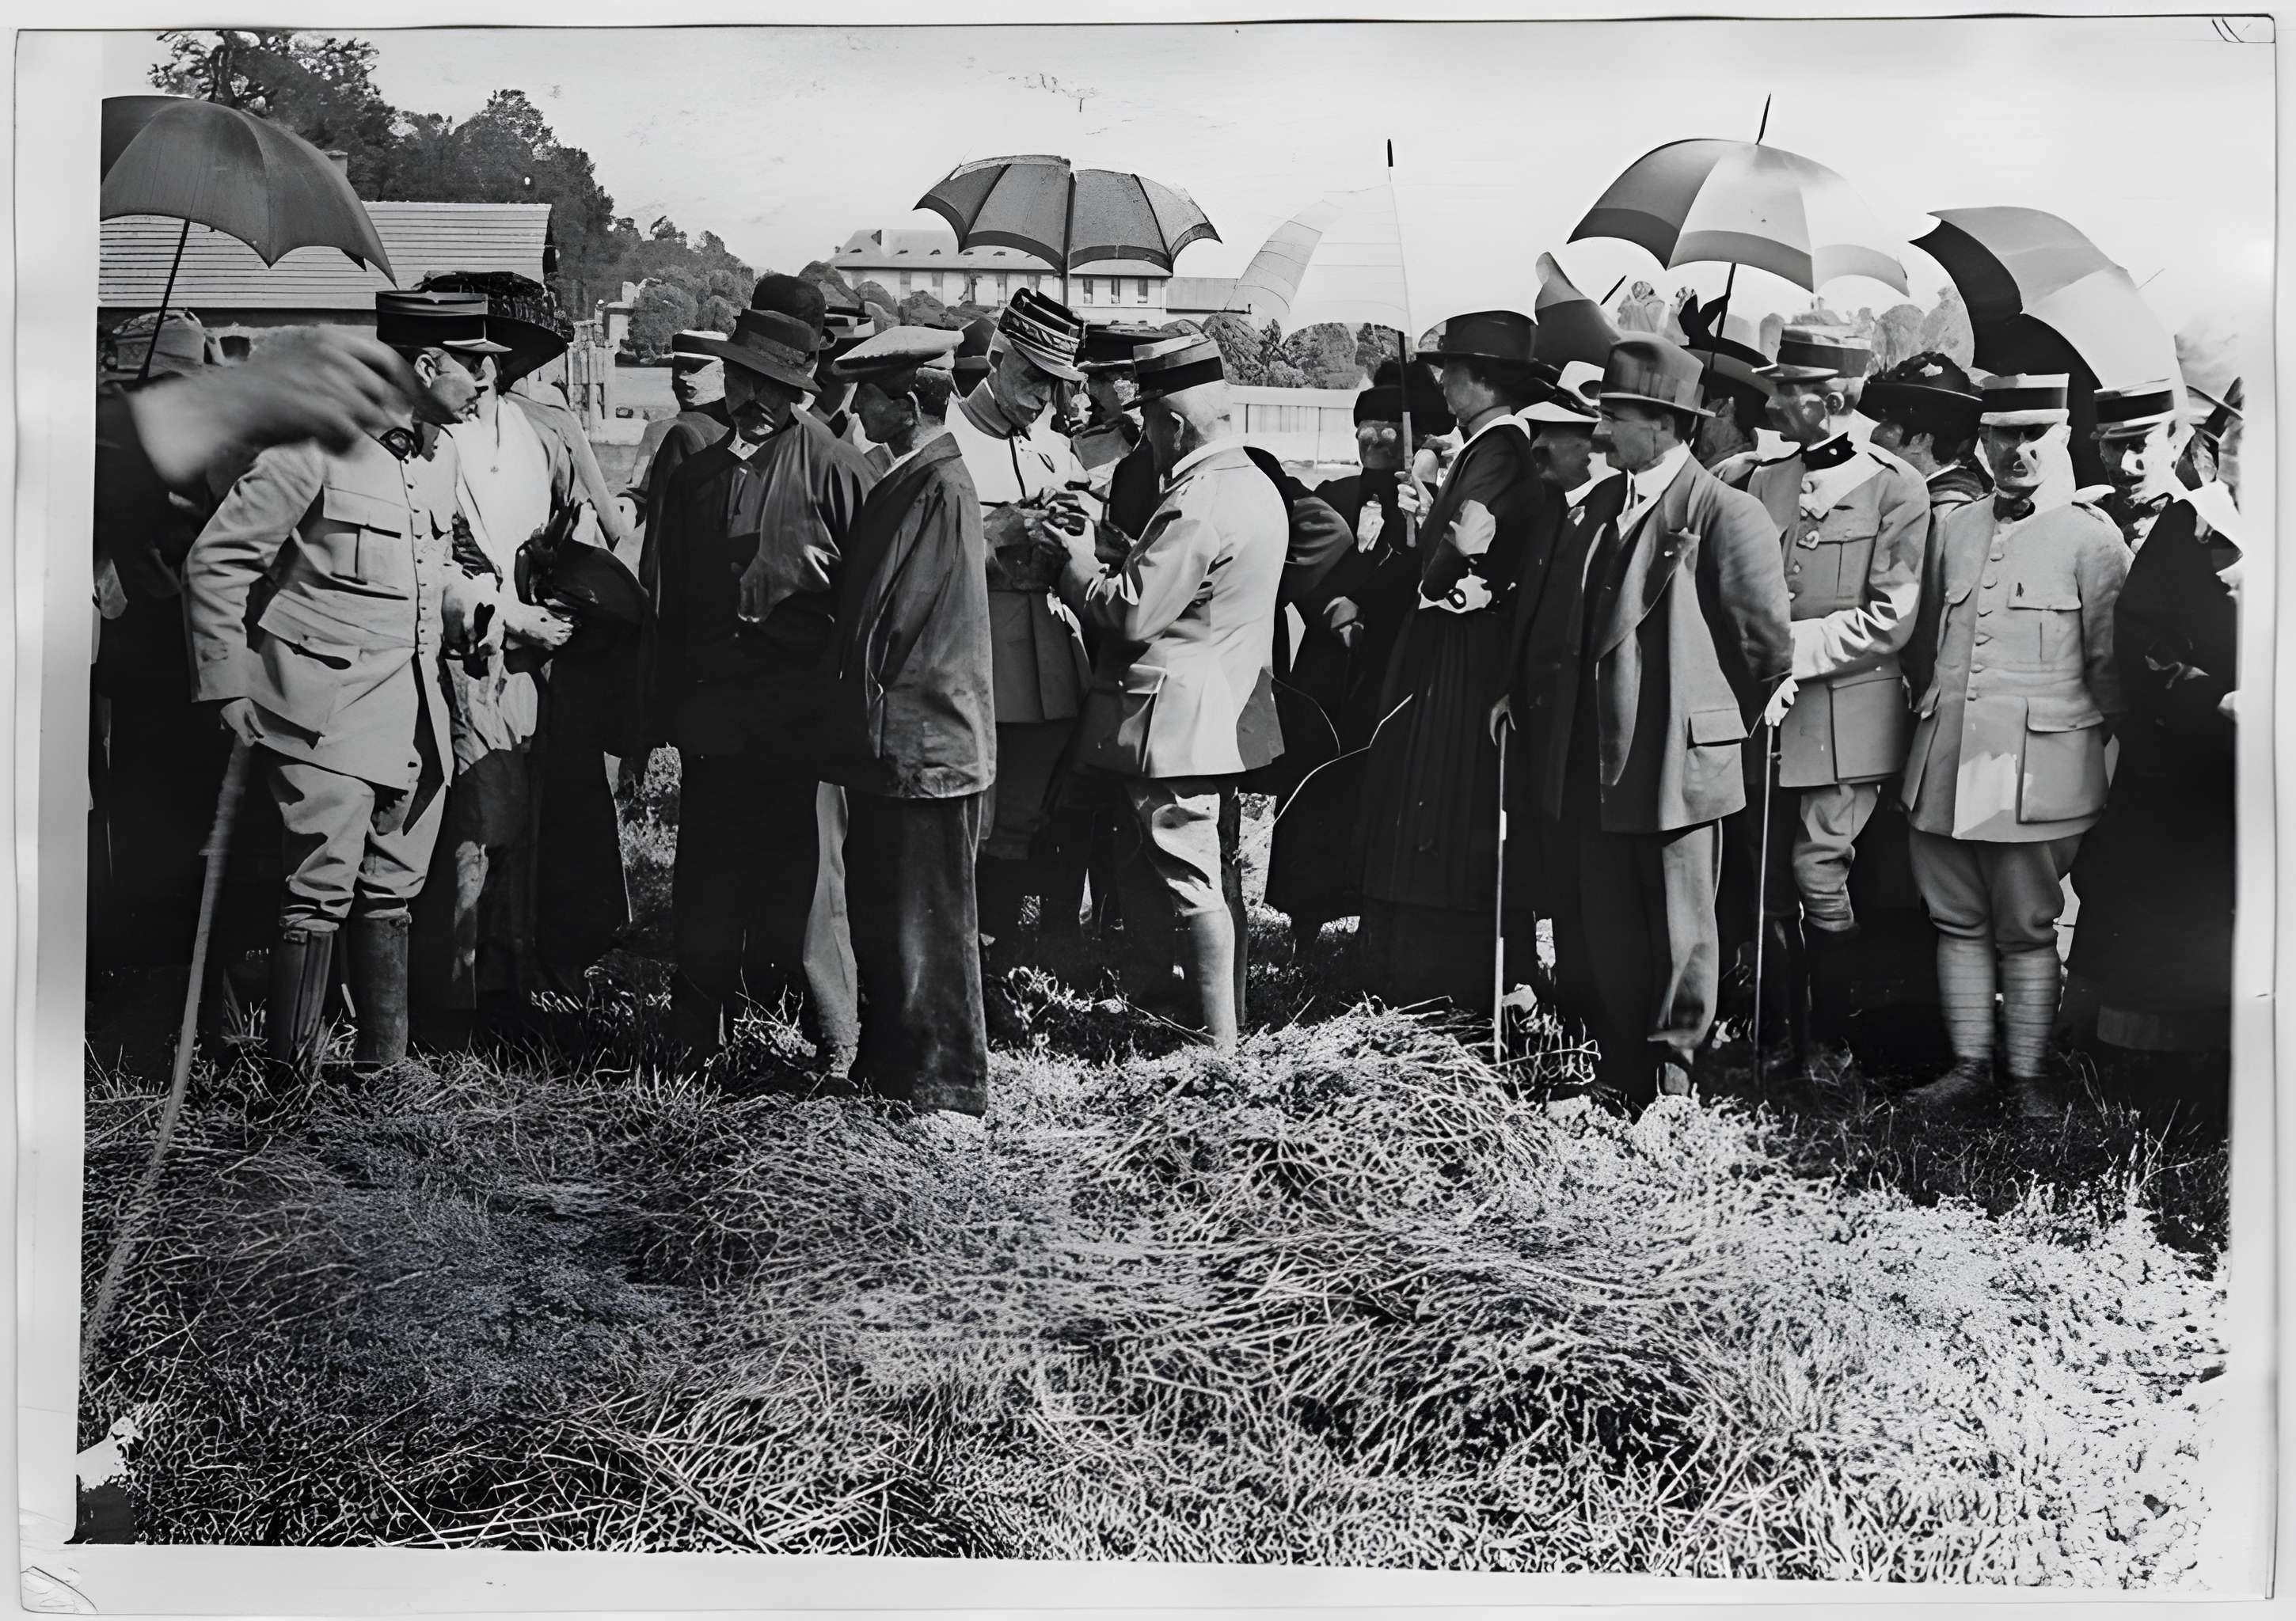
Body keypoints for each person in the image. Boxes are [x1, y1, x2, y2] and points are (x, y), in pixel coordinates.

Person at [181, 290, 499, 1079]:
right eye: (475, 364)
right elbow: (218, 562)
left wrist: (468, 606)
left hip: (413, 710)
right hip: (318, 708)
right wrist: (226, 685)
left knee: (391, 888)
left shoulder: (438, 453)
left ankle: (377, 1070)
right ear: (426, 365)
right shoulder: (312, 447)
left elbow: (426, 567)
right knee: (316, 890)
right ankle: (288, 1082)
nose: (488, 380)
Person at [1507, 335, 1792, 1109]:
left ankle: (1671, 1088)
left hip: (1675, 763)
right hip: (1592, 763)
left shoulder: (1725, 514)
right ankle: (1618, 1075)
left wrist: (1694, 718)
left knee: (1679, 936)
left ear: (1667, 423)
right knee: (1608, 932)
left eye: (1616, 416)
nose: (1600, 431)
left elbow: (1762, 649)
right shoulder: (1596, 508)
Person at [1897, 375, 2130, 1121]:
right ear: (1983, 440)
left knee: (2028, 927)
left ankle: (2028, 1079)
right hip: (1944, 761)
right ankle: (1969, 1067)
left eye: (2036, 435)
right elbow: (1929, 637)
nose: (2018, 450)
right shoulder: (1957, 526)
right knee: (1956, 918)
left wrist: (2097, 763)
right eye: (2005, 434)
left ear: (2062, 438)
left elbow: (2108, 669)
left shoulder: (2094, 539)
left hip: (2040, 772)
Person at [405, 274, 629, 1044]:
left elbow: (557, 539)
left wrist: (561, 601)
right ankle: (459, 994)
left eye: (500, 357)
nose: (488, 372)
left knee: (527, 818)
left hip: (536, 654)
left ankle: (516, 974)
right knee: (477, 818)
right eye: (476, 358)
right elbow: (442, 554)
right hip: (471, 651)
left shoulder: (533, 437)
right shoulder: (442, 442)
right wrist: (506, 614)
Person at [649, 305, 872, 1075]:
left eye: (775, 384)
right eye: (744, 377)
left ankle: (835, 1038)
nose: (755, 396)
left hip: (805, 721)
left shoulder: (839, 468)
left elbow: (868, 603)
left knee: (812, 882)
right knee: (707, 873)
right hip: (715, 720)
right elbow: (668, 604)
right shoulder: (696, 475)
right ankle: (694, 1028)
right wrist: (659, 713)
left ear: (800, 390)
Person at [1051, 335, 1287, 1047]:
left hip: (1171, 723)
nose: (1143, 435)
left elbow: (1129, 612)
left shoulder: (1194, 500)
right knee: (1215, 877)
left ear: (1173, 423)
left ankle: (1220, 1050)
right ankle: (1215, 1023)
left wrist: (1078, 566)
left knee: (1192, 883)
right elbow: (1203, 591)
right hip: (1224, 713)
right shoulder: (1253, 484)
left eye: (1147, 420)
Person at [1732, 327, 1929, 1085]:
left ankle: (1832, 1043)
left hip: (1847, 714)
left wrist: (1788, 649)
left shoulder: (1896, 487)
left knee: (1822, 872)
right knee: (1767, 877)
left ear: (1834, 398)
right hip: (1769, 715)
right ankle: (1779, 1033)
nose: (1774, 400)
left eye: (1787, 388)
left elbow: (1891, 616)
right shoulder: (1763, 477)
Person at [819, 326, 995, 1121]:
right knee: (890, 915)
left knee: (933, 926)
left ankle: (949, 1092)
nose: (856, 412)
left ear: (904, 403)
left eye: (868, 397)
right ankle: (890, 1073)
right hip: (898, 738)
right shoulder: (914, 477)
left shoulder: (937, 486)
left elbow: (895, 621)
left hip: (926, 739)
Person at [1354, 311, 1555, 1007]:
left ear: (1481, 381)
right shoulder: (1482, 448)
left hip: (1463, 658)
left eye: (1451, 372)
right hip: (1454, 650)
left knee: (1447, 804)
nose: (1441, 383)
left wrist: (1437, 558)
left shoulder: (1498, 450)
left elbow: (1457, 560)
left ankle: (1443, 976)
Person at [2068, 390, 2241, 1130]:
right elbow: (2141, 633)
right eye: (2239, 441)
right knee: (2173, 919)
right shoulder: (2192, 522)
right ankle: (2168, 1077)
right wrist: (2212, 701)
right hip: (2191, 760)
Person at [1262, 359, 1452, 952]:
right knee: (1315, 788)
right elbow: (1293, 567)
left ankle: (1376, 915)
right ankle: (1304, 919)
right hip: (1326, 670)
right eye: (1364, 427)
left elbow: (1430, 581)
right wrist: (1331, 610)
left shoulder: (1427, 504)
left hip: (1388, 670)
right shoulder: (1331, 494)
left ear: (1414, 434)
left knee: (1379, 787)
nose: (1374, 438)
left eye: (1387, 428)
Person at [942, 290, 1097, 964]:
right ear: (997, 360)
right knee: (968, 828)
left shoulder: (1056, 449)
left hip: (1050, 664)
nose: (1044, 398)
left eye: (1057, 385)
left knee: (1020, 827)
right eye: (1033, 378)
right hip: (975, 659)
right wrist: (1003, 529)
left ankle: (997, 964)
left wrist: (1085, 525)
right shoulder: (946, 439)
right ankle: (956, 967)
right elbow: (918, 547)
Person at [1490, 359, 1607, 1020]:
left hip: (1579, 741)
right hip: (1538, 732)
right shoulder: (1555, 516)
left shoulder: (1608, 523)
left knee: (1580, 877)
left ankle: (1584, 1007)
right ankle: (1548, 988)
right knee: (1544, 866)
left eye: (1556, 433)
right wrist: (1512, 692)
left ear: (1592, 442)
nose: (1536, 444)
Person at [633, 331, 733, 583]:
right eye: (677, 368)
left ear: (722, 373)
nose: (682, 377)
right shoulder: (657, 431)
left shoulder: (739, 432)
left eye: (694, 369)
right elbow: (639, 497)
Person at [1861, 352, 1991, 516]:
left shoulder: (1944, 512)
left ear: (1922, 437)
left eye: (1887, 420)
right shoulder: (1929, 500)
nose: (1875, 433)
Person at [2088, 379, 2191, 550]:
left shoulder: (2203, 523)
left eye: (2139, 446)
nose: (2124, 465)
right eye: (2113, 446)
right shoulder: (2091, 518)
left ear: (2174, 443)